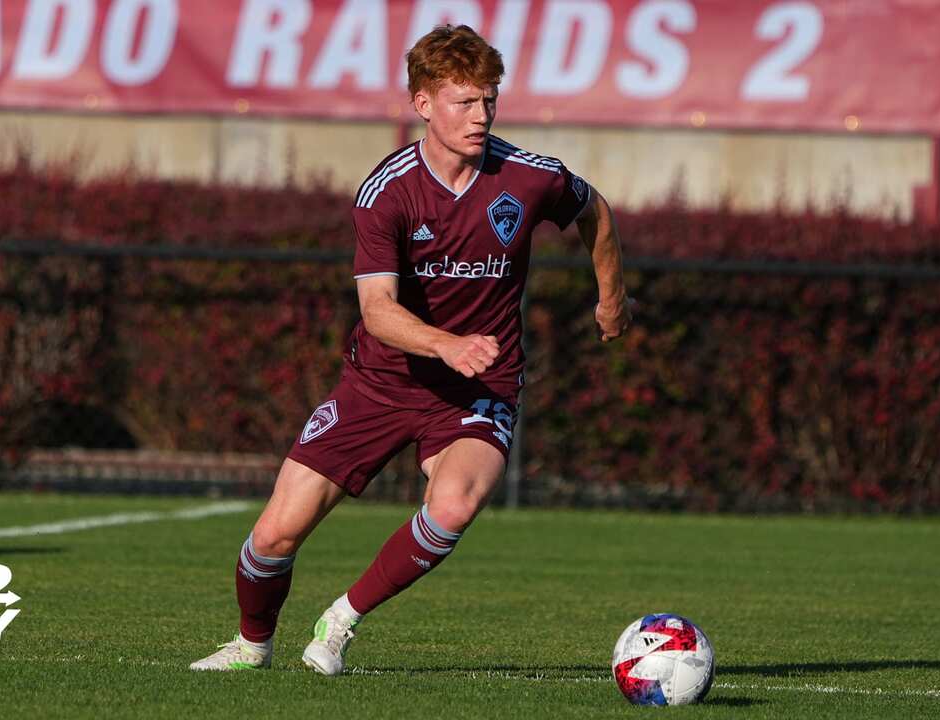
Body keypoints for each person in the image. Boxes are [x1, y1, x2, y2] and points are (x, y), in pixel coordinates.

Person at [191, 24, 632, 676]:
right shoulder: (388, 191)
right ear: (422, 103)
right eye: (463, 102)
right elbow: (377, 312)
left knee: (453, 506)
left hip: (481, 387)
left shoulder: (528, 176)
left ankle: (339, 621)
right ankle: (252, 644)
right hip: (380, 384)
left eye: (489, 100)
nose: (480, 116)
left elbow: (592, 209)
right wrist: (446, 344)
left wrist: (612, 297)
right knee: (272, 538)